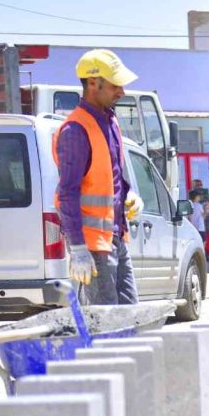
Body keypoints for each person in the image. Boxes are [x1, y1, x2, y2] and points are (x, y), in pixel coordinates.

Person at [54, 49, 143, 305]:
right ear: (93, 83)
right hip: (93, 246)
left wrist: (129, 195)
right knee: (107, 324)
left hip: (116, 237)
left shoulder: (110, 121)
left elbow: (111, 176)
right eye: (116, 85)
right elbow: (67, 193)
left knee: (129, 315)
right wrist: (78, 248)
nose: (121, 92)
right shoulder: (75, 130)